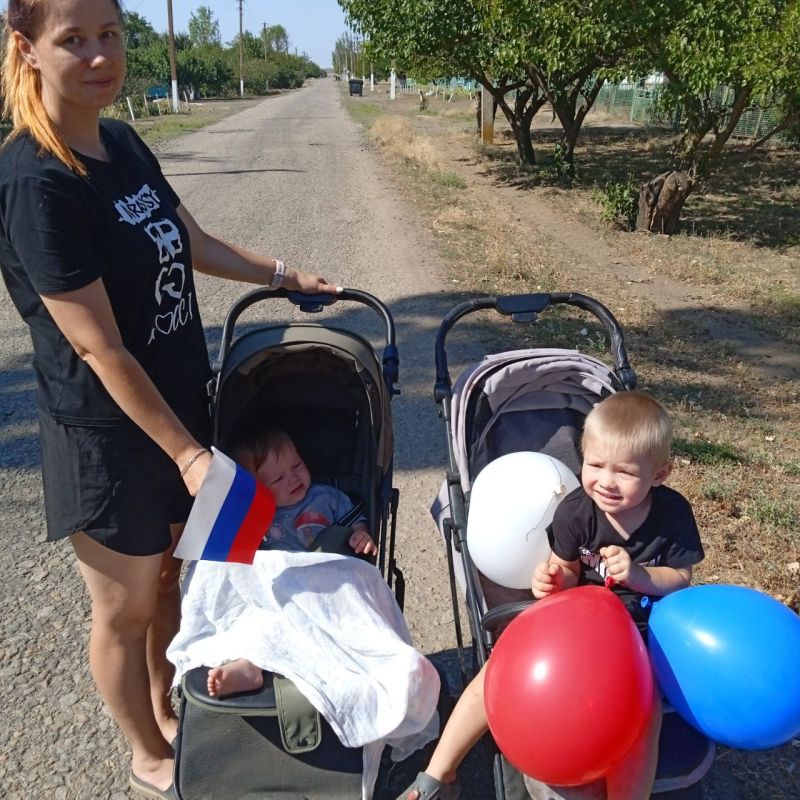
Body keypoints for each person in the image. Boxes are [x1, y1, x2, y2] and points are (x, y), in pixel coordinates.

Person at [0, 3, 338, 799]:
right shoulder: (33, 178)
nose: (97, 56)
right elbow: (97, 346)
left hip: (181, 404)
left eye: (109, 35)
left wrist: (284, 275)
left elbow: (186, 239)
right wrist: (186, 455)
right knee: (121, 609)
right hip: (109, 436)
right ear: (27, 49)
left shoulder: (118, 141)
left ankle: (167, 703)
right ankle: (144, 750)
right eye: (72, 40)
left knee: (170, 583)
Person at [398, 391, 704, 800]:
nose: (606, 482)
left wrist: (640, 574)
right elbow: (568, 567)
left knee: (643, 715)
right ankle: (439, 774)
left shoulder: (672, 514)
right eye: (595, 465)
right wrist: (555, 581)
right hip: (579, 625)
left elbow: (680, 578)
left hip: (641, 633)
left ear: (659, 475)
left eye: (625, 473)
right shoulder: (577, 510)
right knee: (499, 667)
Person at [205, 425, 379, 698]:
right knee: (261, 621)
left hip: (327, 583)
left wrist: (360, 534)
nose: (294, 477)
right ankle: (251, 666)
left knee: (345, 621)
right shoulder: (259, 515)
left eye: (297, 465)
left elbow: (355, 519)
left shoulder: (326, 497)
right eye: (278, 479)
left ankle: (340, 663)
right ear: (258, 490)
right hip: (282, 590)